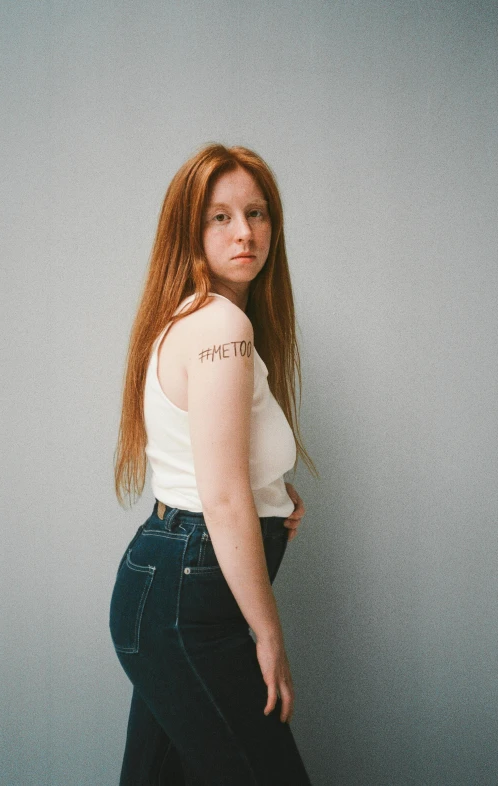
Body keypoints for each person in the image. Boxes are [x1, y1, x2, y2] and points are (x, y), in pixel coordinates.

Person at [110, 143, 318, 785]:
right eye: (220, 217)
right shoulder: (223, 324)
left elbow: (210, 461)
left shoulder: (190, 318)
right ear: (190, 231)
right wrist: (270, 637)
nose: (245, 232)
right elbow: (222, 494)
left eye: (256, 213)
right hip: (189, 601)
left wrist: (273, 492)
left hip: (167, 585)